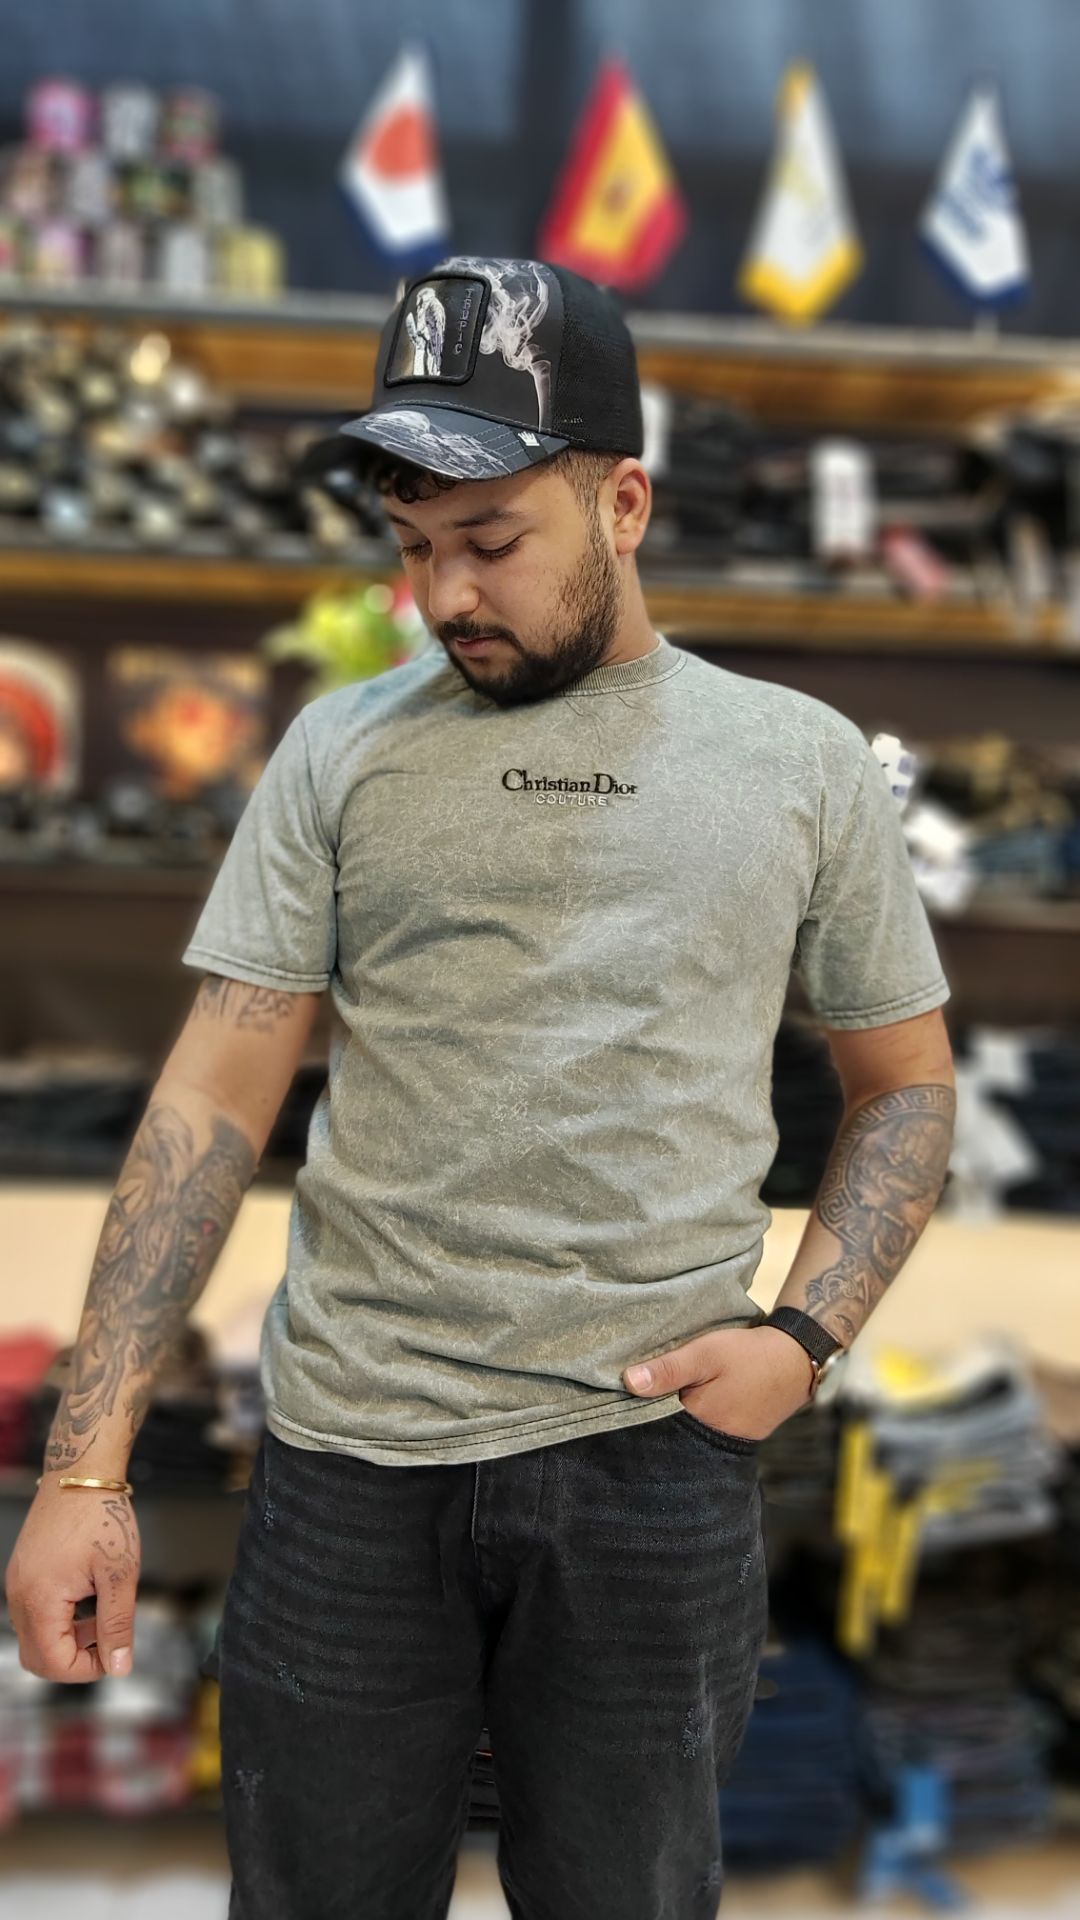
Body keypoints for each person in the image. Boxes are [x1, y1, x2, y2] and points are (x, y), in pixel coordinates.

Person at [5, 257, 956, 1920]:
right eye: (413, 546)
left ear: (625, 504)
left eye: (492, 540)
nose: (445, 593)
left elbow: (905, 1086)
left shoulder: (801, 763)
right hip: (349, 1466)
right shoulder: (339, 750)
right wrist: (84, 1469)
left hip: (652, 1465)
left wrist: (803, 1340)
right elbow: (208, 1105)